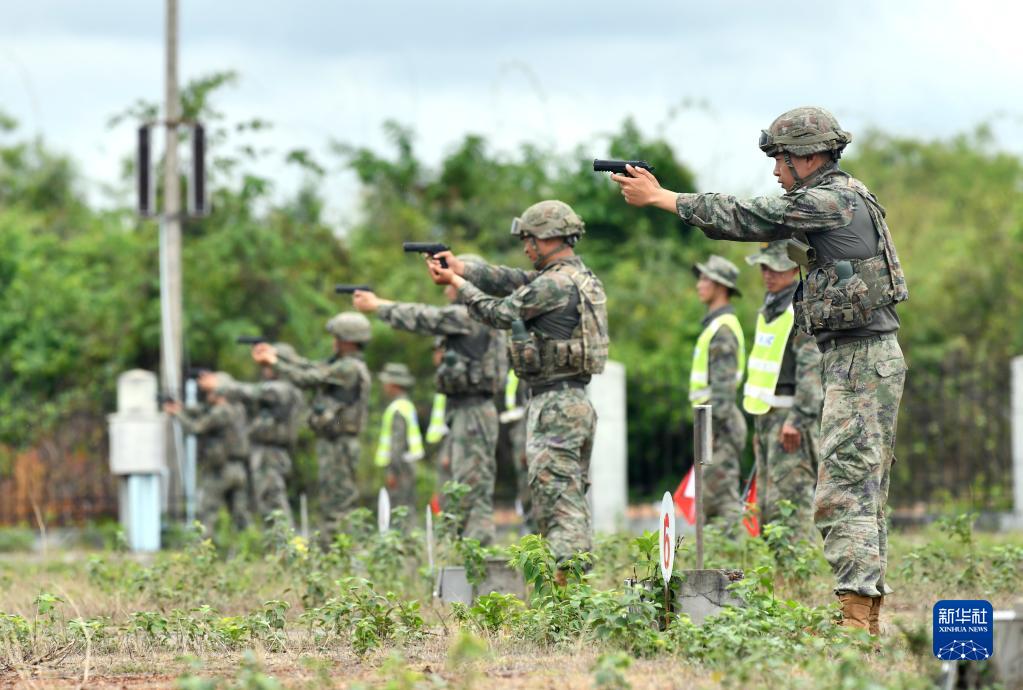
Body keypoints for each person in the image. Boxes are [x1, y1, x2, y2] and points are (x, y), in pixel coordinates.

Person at [611, 106, 908, 633]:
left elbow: (750, 216)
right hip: (856, 356)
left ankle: (857, 623)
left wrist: (663, 199)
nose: (775, 171)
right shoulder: (843, 195)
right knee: (858, 487)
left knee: (844, 488)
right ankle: (861, 615)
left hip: (860, 358)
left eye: (781, 159)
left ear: (810, 157)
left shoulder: (829, 200)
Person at [424, 199, 609, 578]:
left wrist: (458, 283)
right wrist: (464, 268)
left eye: (529, 239)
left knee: (557, 501)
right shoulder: (575, 277)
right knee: (565, 496)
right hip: (572, 402)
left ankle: (567, 594)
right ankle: (570, 588)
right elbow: (511, 279)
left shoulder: (554, 285)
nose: (526, 248)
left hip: (555, 404)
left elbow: (501, 313)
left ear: (548, 237)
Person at [353, 266, 502, 545]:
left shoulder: (470, 315)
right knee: (464, 488)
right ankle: (469, 554)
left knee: (472, 489)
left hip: (473, 412)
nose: (446, 290)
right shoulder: (479, 317)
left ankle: (480, 557)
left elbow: (424, 317)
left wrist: (378, 306)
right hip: (467, 411)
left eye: (450, 283)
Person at [252, 313, 372, 545]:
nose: (333, 342)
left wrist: (276, 363)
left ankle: (344, 555)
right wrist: (278, 357)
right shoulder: (340, 365)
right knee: (331, 502)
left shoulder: (349, 368)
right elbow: (311, 367)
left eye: (336, 337)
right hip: (334, 442)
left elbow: (309, 377)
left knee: (339, 504)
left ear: (347, 339)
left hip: (341, 444)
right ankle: (334, 552)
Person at [743, 241, 822, 544]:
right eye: (764, 267)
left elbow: (810, 368)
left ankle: (797, 579)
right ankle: (782, 579)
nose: (768, 274)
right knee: (766, 507)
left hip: (789, 419)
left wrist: (798, 419)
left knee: (790, 504)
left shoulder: (798, 308)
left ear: (792, 268)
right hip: (766, 417)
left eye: (774, 267)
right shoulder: (769, 308)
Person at [211, 349, 305, 526]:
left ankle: (284, 546)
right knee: (266, 502)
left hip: (271, 453)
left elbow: (252, 391)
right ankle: (279, 546)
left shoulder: (283, 388)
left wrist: (221, 385)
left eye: (267, 365)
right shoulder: (281, 389)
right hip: (267, 452)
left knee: (273, 501)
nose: (264, 370)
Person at [689, 255, 747, 528]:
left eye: (705, 279)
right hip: (712, 421)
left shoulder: (722, 329)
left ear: (721, 287)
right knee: (711, 499)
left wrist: (711, 432)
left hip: (718, 423)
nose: (699, 285)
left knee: (721, 500)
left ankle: (732, 559)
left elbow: (723, 392)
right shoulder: (716, 324)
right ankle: (722, 557)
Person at [164, 373, 250, 531]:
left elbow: (195, 428)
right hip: (239, 469)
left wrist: (177, 414)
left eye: (211, 392)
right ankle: (250, 548)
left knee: (208, 513)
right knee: (240, 516)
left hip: (221, 470)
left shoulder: (220, 412)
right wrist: (181, 407)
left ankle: (205, 551)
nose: (207, 396)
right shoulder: (238, 409)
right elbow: (202, 410)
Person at [374, 363, 425, 517]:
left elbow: (397, 444)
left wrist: (392, 472)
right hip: (406, 465)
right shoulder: (406, 405)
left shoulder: (397, 409)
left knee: (399, 506)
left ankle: (404, 539)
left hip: (400, 467)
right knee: (406, 504)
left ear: (394, 385)